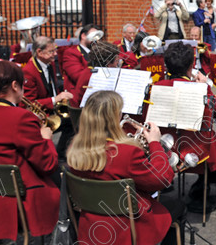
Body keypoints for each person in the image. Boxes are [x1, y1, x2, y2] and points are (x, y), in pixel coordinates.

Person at [67, 90, 181, 245]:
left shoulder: (75, 149)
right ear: (113, 118)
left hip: (91, 225)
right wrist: (154, 143)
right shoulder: (125, 153)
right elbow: (162, 179)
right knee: (177, 205)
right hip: (128, 227)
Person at [0, 60, 60, 242]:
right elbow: (48, 165)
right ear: (14, 85)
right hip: (24, 198)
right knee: (64, 178)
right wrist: (46, 138)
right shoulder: (21, 117)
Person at [155, 42, 216, 212]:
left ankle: (198, 184)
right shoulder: (201, 88)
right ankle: (206, 186)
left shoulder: (156, 87)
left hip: (165, 149)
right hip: (197, 151)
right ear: (192, 66)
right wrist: (206, 86)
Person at [23, 36, 73, 111]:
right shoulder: (28, 71)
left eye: (55, 50)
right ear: (39, 52)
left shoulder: (49, 63)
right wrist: (55, 99)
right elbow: (28, 104)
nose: (55, 53)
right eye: (51, 51)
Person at [71, 40, 121, 108]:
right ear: (108, 62)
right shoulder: (94, 76)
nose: (117, 64)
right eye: (116, 61)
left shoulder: (90, 70)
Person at [62, 23, 98, 92]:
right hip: (78, 92)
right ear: (83, 36)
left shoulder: (97, 52)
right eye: (93, 35)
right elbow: (78, 76)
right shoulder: (71, 52)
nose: (95, 39)